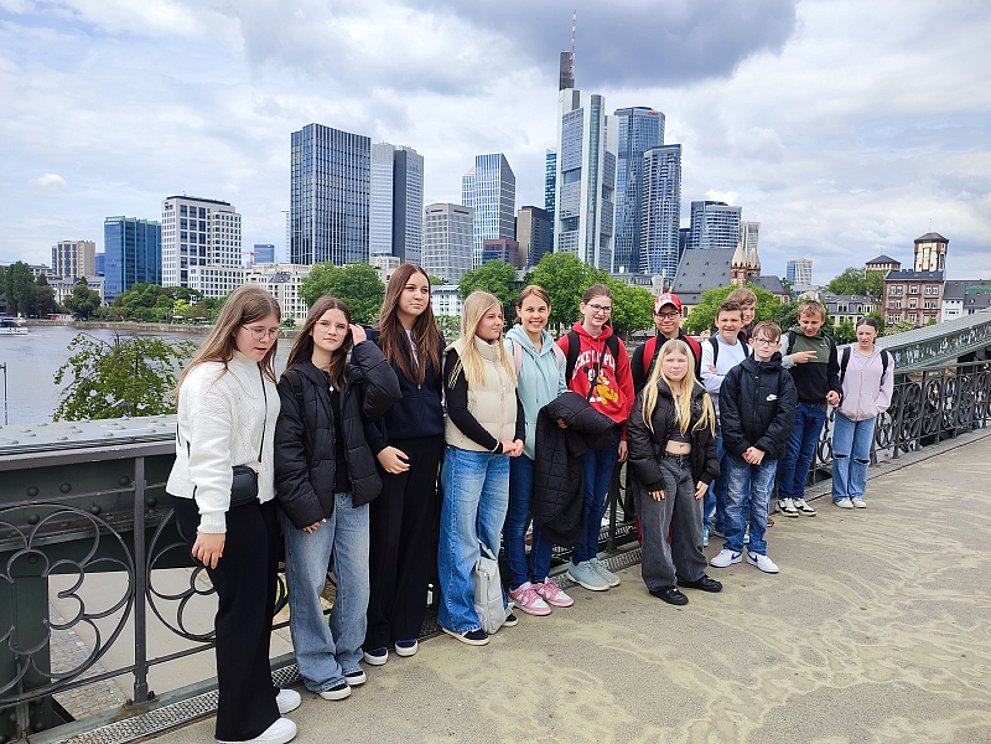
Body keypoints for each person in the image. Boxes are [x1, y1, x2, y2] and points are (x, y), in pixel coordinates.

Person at [167, 285, 299, 744]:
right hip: (218, 505)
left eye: (273, 331)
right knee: (241, 610)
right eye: (257, 330)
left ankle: (256, 693)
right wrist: (213, 524)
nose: (266, 339)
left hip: (254, 502)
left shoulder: (256, 373)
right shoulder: (211, 379)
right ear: (233, 326)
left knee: (260, 603)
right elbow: (208, 458)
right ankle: (240, 726)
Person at [274, 297, 400, 702]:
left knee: (356, 584)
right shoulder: (293, 381)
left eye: (341, 326)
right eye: (325, 324)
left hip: (354, 496)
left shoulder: (351, 377)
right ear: (311, 328)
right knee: (308, 585)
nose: (332, 331)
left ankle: (348, 653)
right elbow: (286, 450)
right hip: (314, 501)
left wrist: (364, 348)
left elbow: (389, 390)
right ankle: (317, 666)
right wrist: (303, 505)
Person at [363, 264, 446, 664]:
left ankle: (407, 623)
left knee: (418, 536)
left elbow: (442, 393)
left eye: (425, 290)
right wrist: (379, 447)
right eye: (411, 288)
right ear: (395, 291)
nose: (418, 295)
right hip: (391, 449)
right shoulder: (375, 339)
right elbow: (364, 404)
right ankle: (375, 627)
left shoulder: (434, 339)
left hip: (428, 447)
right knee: (387, 539)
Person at [438, 290, 524, 646]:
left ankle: (489, 602)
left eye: (500, 316)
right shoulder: (457, 355)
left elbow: (515, 400)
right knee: (460, 539)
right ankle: (457, 616)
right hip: (469, 456)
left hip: (502, 457)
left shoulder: (503, 354)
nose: (497, 322)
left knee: (491, 532)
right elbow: (458, 411)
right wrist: (494, 443)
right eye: (490, 316)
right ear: (474, 319)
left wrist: (518, 436)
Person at [627, 340, 721, 605]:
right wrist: (651, 477)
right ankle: (660, 581)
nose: (676, 365)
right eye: (670, 360)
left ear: (689, 363)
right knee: (656, 526)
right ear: (661, 363)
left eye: (681, 360)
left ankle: (692, 572)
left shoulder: (699, 395)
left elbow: (709, 439)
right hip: (662, 465)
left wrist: (707, 474)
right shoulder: (650, 394)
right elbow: (638, 437)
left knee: (691, 524)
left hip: (690, 466)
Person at [557, 284, 635, 592]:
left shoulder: (614, 344)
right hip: (582, 432)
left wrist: (625, 435)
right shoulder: (568, 343)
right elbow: (557, 386)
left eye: (606, 308)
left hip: (610, 429)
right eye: (596, 307)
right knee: (585, 498)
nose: (601, 313)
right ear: (583, 307)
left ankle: (590, 555)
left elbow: (626, 391)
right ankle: (579, 560)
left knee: (599, 499)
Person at [503, 285, 573, 616]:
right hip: (521, 448)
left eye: (541, 310)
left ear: (549, 312)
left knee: (547, 515)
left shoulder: (556, 351)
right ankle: (519, 583)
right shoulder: (509, 347)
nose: (536, 316)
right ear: (518, 311)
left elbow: (561, 391)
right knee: (518, 519)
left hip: (550, 447)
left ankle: (541, 576)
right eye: (529, 309)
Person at [710, 321, 797, 574]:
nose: (765, 345)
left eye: (770, 342)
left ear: (777, 345)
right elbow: (728, 413)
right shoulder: (737, 374)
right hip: (739, 450)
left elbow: (785, 417)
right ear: (752, 342)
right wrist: (743, 446)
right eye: (761, 340)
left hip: (767, 453)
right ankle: (733, 546)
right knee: (735, 499)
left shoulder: (784, 378)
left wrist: (762, 447)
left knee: (760, 500)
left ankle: (758, 549)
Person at [777, 299, 842, 517]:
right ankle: (784, 497)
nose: (809, 326)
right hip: (796, 405)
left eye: (814, 322)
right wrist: (793, 359)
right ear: (798, 319)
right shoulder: (790, 338)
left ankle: (798, 495)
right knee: (792, 452)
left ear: (822, 321)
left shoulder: (828, 343)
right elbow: (773, 363)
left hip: (818, 406)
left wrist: (835, 391)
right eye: (805, 321)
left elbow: (833, 372)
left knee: (806, 454)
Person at [700, 300, 752, 545]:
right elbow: (706, 382)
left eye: (734, 320)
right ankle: (702, 526)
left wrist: (723, 378)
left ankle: (724, 524)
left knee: (732, 482)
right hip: (712, 424)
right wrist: (738, 381)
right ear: (716, 322)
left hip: (738, 428)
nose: (729, 325)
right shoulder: (709, 347)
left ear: (742, 322)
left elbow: (754, 386)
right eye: (725, 320)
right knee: (707, 479)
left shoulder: (747, 350)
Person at [831, 318, 894, 509]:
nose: (864, 337)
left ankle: (857, 493)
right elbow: (834, 378)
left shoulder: (885, 357)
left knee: (861, 454)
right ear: (856, 333)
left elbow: (887, 385)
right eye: (861, 333)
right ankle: (841, 494)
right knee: (841, 454)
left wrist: (877, 407)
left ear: (876, 333)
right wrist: (839, 402)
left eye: (868, 333)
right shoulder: (845, 354)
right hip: (845, 411)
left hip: (869, 413)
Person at [631, 292, 702, 392]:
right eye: (661, 315)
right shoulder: (643, 351)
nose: (666, 320)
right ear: (654, 316)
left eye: (672, 314)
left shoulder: (695, 347)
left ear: (681, 314)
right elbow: (636, 388)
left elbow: (698, 382)